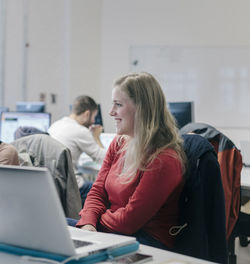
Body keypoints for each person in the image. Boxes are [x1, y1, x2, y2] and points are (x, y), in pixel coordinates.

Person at [68, 72, 187, 250]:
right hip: (112, 230)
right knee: (49, 226)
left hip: (146, 241)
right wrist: (88, 225)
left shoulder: (164, 159)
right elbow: (97, 191)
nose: (111, 112)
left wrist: (94, 222)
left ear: (142, 108)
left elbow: (129, 221)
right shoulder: (120, 142)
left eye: (118, 104)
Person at [48, 95, 106, 203]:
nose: (93, 121)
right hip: (72, 187)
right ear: (87, 114)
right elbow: (103, 159)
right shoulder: (80, 131)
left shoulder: (55, 125)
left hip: (54, 185)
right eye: (93, 117)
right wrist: (97, 137)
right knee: (106, 193)